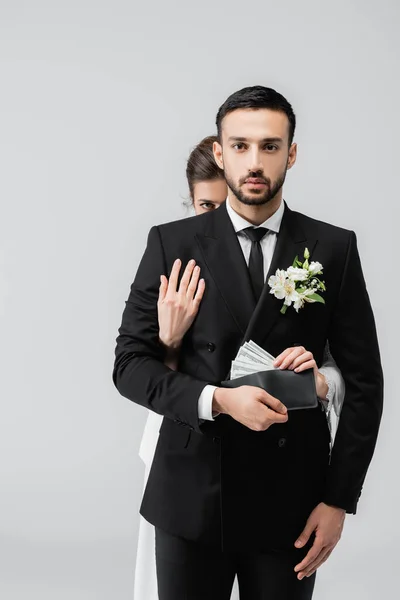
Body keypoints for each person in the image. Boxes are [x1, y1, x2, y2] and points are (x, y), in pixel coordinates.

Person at [113, 86, 383, 599]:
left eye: (269, 146)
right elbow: (129, 364)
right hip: (190, 496)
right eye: (239, 146)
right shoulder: (172, 242)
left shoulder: (333, 247)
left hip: (292, 502)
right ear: (219, 151)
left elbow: (366, 383)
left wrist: (338, 501)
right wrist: (217, 399)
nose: (254, 162)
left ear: (292, 153)